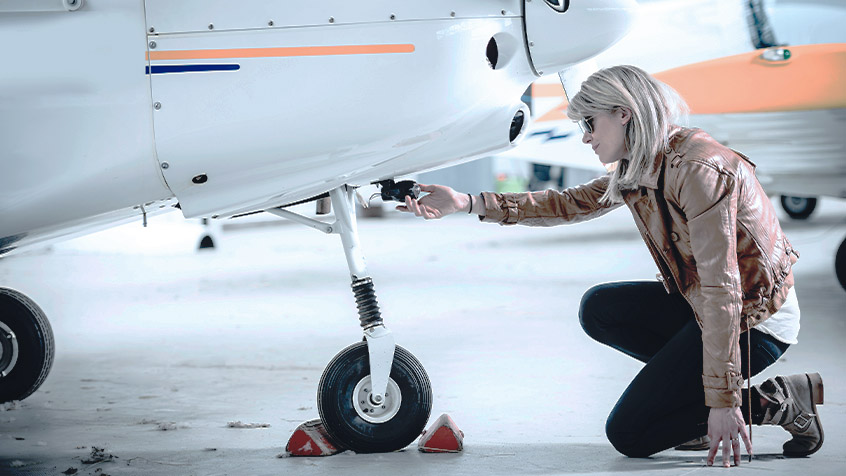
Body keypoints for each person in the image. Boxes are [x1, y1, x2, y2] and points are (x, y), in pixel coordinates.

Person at [397, 65, 824, 467]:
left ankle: (778, 401)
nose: (585, 137)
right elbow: (569, 203)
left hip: (754, 322)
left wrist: (725, 402)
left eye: (590, 123)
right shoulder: (645, 161)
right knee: (600, 307)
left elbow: (723, 290)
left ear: (623, 114)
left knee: (630, 436)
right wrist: (466, 203)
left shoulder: (697, 169)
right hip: (707, 306)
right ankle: (688, 403)